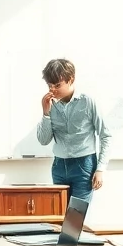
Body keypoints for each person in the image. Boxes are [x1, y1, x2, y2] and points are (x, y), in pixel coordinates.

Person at [36, 58, 112, 201]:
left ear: (71, 79)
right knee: (60, 216)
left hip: (84, 164)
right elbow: (44, 140)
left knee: (76, 218)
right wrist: (46, 113)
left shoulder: (88, 101)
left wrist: (100, 169)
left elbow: (106, 136)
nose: (52, 90)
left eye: (57, 85)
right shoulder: (50, 104)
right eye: (49, 85)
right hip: (59, 165)